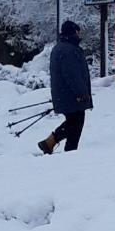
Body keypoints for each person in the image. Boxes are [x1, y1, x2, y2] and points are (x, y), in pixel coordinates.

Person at [38, 20, 93, 154]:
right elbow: (72, 74)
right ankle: (59, 146)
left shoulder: (61, 47)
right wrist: (81, 93)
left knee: (74, 122)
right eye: (77, 31)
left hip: (64, 94)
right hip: (71, 95)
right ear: (73, 32)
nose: (79, 34)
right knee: (76, 123)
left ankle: (60, 146)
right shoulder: (69, 50)